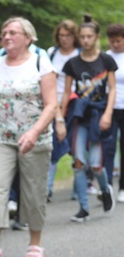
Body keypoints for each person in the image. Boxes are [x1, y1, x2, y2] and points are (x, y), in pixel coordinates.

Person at [0, 18, 56, 257]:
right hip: (1, 136)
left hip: (35, 138)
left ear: (28, 38)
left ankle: (35, 243)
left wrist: (34, 132)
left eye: (13, 33)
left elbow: (51, 105)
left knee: (34, 191)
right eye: (4, 32)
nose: (7, 36)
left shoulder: (40, 62)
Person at [60, 15, 117, 221]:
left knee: (95, 164)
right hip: (79, 116)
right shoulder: (72, 63)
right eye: (82, 37)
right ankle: (83, 208)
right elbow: (66, 93)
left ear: (97, 37)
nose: (85, 40)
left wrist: (108, 113)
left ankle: (105, 188)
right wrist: (60, 118)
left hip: (98, 115)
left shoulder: (106, 60)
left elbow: (112, 89)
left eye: (89, 36)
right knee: (78, 162)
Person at [47, 19, 80, 201]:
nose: (65, 39)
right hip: (53, 105)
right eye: (61, 35)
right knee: (52, 146)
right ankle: (47, 189)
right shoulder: (51, 54)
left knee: (76, 147)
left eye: (68, 35)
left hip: (75, 106)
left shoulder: (79, 54)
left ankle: (79, 187)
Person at [103, 23, 124, 203]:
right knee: (108, 148)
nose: (115, 44)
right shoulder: (105, 58)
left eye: (118, 41)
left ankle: (123, 187)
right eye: (112, 41)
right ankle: (107, 185)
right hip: (110, 108)